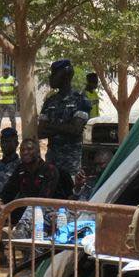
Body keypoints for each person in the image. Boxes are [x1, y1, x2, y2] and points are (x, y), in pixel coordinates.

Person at [0, 138, 71, 233]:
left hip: (49, 211)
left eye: (29, 149)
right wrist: (0, 203)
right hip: (26, 208)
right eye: (22, 150)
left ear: (38, 152)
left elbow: (43, 199)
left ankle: (18, 234)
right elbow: (8, 191)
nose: (25, 152)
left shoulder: (49, 170)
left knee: (33, 208)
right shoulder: (20, 169)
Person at [38, 58, 91, 186]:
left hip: (71, 165)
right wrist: (66, 126)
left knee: (71, 194)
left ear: (65, 75)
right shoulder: (49, 101)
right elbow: (40, 132)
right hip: (52, 163)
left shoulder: (81, 100)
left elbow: (76, 130)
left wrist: (51, 126)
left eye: (54, 73)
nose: (51, 77)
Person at [0, 66, 18, 135]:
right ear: (3, 71)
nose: (6, 72)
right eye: (5, 71)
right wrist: (0, 92)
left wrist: (7, 93)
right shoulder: (0, 79)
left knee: (12, 119)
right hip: (2, 102)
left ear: (9, 71)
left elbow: (16, 90)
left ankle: (14, 133)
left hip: (11, 102)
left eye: (7, 70)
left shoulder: (13, 79)